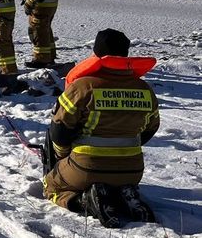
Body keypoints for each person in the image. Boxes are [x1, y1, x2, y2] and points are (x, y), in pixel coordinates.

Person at [42, 29, 159, 227]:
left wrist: (63, 157)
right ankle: (123, 194)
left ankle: (84, 201)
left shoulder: (83, 87)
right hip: (132, 170)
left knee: (51, 186)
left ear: (96, 54)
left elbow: (59, 132)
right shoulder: (144, 89)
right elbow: (150, 129)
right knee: (116, 180)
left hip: (86, 168)